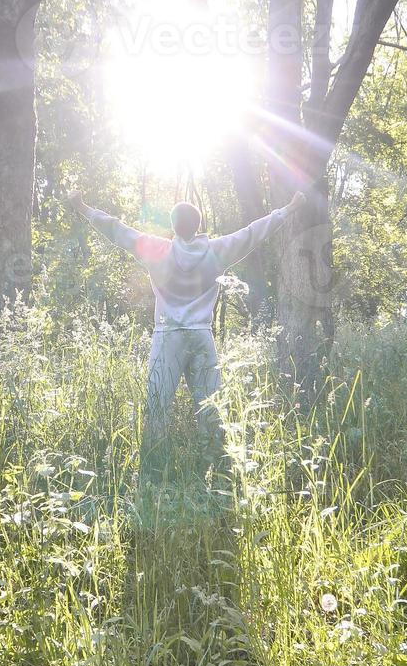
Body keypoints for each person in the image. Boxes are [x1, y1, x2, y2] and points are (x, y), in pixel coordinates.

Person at [68, 189, 305, 497]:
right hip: (201, 336)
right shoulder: (217, 251)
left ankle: (151, 478)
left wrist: (83, 207)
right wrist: (288, 207)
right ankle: (220, 480)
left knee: (156, 407)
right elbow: (253, 233)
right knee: (211, 408)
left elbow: (117, 229)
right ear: (198, 224)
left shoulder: (158, 250)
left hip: (168, 337)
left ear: (173, 226)